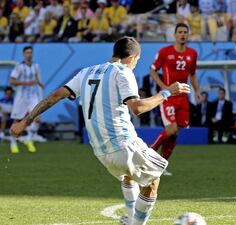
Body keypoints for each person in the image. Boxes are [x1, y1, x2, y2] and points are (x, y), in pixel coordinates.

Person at [10, 36, 191, 225]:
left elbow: (55, 96)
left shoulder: (87, 72)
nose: (135, 64)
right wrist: (167, 93)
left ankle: (130, 217)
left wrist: (25, 121)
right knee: (153, 179)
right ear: (131, 57)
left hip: (100, 152)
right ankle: (135, 223)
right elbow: (137, 108)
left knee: (130, 175)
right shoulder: (123, 72)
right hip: (123, 144)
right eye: (137, 60)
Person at [150, 23, 200, 176]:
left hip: (183, 98)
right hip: (168, 97)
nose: (183, 34)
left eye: (185, 32)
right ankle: (149, 153)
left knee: (175, 133)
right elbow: (153, 70)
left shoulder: (192, 53)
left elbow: (192, 74)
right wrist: (163, 86)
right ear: (175, 34)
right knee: (171, 129)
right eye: (180, 32)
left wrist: (197, 90)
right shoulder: (165, 52)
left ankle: (160, 166)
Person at [9, 46, 44, 153]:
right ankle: (13, 142)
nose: (29, 54)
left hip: (33, 96)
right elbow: (12, 81)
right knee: (17, 120)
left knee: (37, 118)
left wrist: (40, 84)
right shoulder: (19, 67)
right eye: (27, 53)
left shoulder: (36, 66)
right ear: (24, 54)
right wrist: (26, 83)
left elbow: (36, 78)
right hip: (21, 97)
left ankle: (28, 139)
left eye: (31, 52)